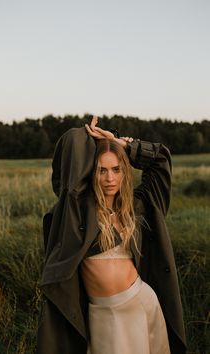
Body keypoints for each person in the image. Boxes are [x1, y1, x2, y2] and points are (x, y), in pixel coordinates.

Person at [37, 117, 186, 354]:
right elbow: (69, 168)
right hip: (105, 315)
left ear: (124, 172)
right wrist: (88, 137)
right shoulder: (78, 211)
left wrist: (121, 143)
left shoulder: (138, 206)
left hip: (142, 303)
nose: (110, 178)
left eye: (116, 169)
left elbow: (160, 160)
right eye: (101, 170)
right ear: (89, 172)